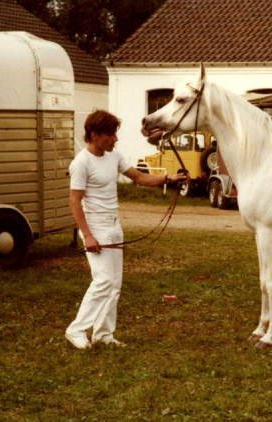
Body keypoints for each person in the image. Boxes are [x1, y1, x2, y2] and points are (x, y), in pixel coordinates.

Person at [65, 110, 186, 350]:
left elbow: (140, 177)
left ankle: (103, 334)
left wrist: (169, 179)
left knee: (115, 283)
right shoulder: (81, 163)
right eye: (111, 135)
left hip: (113, 224)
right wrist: (87, 235)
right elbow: (74, 201)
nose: (115, 139)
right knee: (103, 281)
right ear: (94, 134)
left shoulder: (114, 157)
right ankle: (76, 330)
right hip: (95, 226)